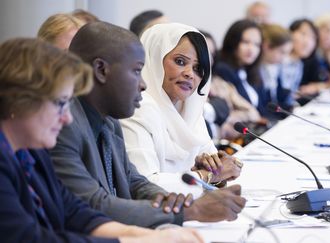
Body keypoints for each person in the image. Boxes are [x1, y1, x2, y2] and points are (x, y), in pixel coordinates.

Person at [0, 38, 203, 243]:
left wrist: (155, 236)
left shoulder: (33, 153)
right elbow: (28, 238)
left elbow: (75, 213)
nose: (67, 117)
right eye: (60, 103)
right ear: (18, 100)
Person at [50, 21, 246, 228]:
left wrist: (188, 199)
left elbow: (135, 182)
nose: (143, 83)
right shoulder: (64, 124)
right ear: (101, 69)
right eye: (136, 71)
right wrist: (192, 210)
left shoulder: (109, 121)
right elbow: (95, 205)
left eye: (198, 69)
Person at [121, 23, 242, 194]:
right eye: (180, 61)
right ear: (153, 58)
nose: (189, 74)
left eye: (197, 68)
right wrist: (207, 176)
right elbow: (146, 186)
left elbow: (217, 170)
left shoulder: (190, 109)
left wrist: (219, 168)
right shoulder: (137, 109)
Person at [201, 30, 261, 140]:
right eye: (204, 53)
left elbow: (252, 113)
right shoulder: (185, 86)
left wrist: (225, 118)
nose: (209, 59)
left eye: (212, 54)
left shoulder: (220, 83)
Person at [214, 19, 265, 115]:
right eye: (245, 42)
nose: (251, 49)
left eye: (256, 44)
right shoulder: (223, 69)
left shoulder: (250, 71)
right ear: (233, 42)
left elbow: (262, 109)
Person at [299, 14, 330, 97]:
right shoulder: (307, 53)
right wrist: (325, 85)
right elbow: (303, 89)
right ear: (317, 29)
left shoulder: (327, 55)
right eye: (327, 30)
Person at [259, 23, 293, 116]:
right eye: (282, 52)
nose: (284, 58)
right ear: (266, 46)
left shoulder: (273, 68)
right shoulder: (255, 71)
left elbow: (278, 101)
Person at [286, 19, 319, 104]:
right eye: (303, 34)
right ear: (290, 34)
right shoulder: (279, 62)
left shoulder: (299, 64)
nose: (308, 42)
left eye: (313, 38)